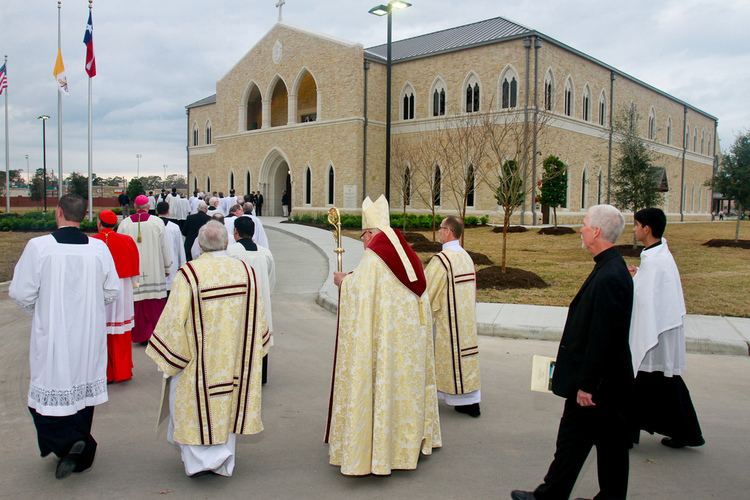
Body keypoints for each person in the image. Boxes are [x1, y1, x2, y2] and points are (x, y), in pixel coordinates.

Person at [512, 204, 634, 500]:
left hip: (596, 385)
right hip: (607, 383)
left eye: (584, 224)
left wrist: (587, 385)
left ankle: (549, 496)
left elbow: (603, 338)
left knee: (576, 442)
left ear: (596, 231)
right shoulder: (610, 267)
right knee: (609, 445)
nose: (580, 229)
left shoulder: (610, 276)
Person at [325, 195, 441, 476]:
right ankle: (408, 441)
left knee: (381, 386)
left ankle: (379, 451)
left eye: (364, 235)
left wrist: (344, 282)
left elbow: (363, 290)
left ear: (370, 232)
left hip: (386, 343)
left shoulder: (376, 253)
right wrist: (355, 277)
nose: (363, 241)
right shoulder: (403, 249)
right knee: (404, 387)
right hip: (409, 342)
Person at [10, 194, 120, 479]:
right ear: (83, 215)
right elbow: (111, 291)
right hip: (88, 332)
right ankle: (80, 447)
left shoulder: (40, 247)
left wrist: (40, 306)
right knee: (82, 389)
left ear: (58, 212)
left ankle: (68, 442)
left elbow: (21, 292)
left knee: (47, 391)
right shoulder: (97, 248)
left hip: (54, 332)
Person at [145, 221, 268, 477]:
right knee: (227, 403)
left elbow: (173, 320)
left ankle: (198, 463)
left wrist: (171, 357)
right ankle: (224, 461)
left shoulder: (190, 274)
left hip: (197, 362)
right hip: (234, 358)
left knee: (191, 406)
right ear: (226, 242)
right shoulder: (245, 272)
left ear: (200, 245)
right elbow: (259, 315)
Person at [629, 207, 704, 449]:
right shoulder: (656, 255)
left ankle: (626, 435)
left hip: (655, 335)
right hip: (660, 332)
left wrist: (632, 281)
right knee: (661, 383)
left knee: (645, 383)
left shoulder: (656, 260)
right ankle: (687, 432)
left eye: (636, 225)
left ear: (646, 229)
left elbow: (645, 297)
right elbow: (652, 289)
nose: (634, 229)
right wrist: (638, 275)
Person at [424, 216, 481, 417]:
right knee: (465, 358)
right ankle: (469, 402)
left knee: (451, 358)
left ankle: (462, 401)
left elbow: (427, 290)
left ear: (448, 231)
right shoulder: (466, 256)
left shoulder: (442, 260)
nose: (438, 232)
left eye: (440, 228)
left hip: (450, 323)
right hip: (466, 322)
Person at [91, 210, 140, 384]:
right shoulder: (126, 240)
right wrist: (134, 283)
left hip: (99, 290)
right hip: (122, 290)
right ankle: (122, 371)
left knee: (99, 332)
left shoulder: (92, 242)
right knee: (121, 332)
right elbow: (135, 267)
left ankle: (104, 373)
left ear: (99, 223)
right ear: (115, 224)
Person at [117, 194, 172, 345]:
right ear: (148, 207)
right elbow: (165, 247)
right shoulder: (158, 222)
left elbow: (120, 249)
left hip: (133, 272)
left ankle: (140, 335)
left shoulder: (125, 224)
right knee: (154, 304)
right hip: (154, 271)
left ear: (135, 206)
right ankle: (155, 335)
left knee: (137, 304)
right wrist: (167, 266)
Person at [227, 216, 275, 384]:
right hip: (261, 300)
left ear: (235, 232)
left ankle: (240, 375)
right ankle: (261, 375)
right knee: (260, 335)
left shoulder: (231, 252)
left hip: (239, 300)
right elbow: (271, 279)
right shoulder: (265, 253)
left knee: (241, 336)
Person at [157, 201, 187, 295]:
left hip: (157, 265)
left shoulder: (152, 226)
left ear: (157, 210)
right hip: (172, 264)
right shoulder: (174, 227)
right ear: (168, 211)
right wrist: (182, 265)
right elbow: (180, 249)